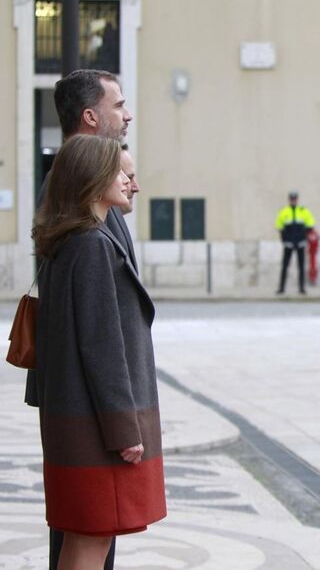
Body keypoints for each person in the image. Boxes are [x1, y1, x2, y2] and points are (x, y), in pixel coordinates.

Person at [32, 135, 166, 569]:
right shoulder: (91, 245)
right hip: (93, 427)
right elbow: (101, 347)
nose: (131, 183)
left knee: (85, 538)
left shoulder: (70, 241)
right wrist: (124, 430)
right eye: (121, 173)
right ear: (93, 178)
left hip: (77, 419)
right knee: (92, 540)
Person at [29, 68, 135, 570]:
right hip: (87, 400)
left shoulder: (77, 200)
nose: (127, 114)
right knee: (89, 531)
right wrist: (122, 422)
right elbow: (96, 330)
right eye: (118, 105)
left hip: (79, 395)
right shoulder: (80, 215)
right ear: (91, 115)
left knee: (85, 530)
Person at [275, 191, 316, 294]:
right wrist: (284, 238)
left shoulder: (303, 211)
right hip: (288, 243)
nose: (293, 200)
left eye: (295, 199)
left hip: (300, 242)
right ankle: (281, 288)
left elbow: (311, 223)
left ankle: (302, 288)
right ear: (289, 200)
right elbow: (279, 226)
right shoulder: (284, 211)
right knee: (285, 266)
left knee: (301, 266)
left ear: (297, 200)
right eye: (291, 199)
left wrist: (304, 235)